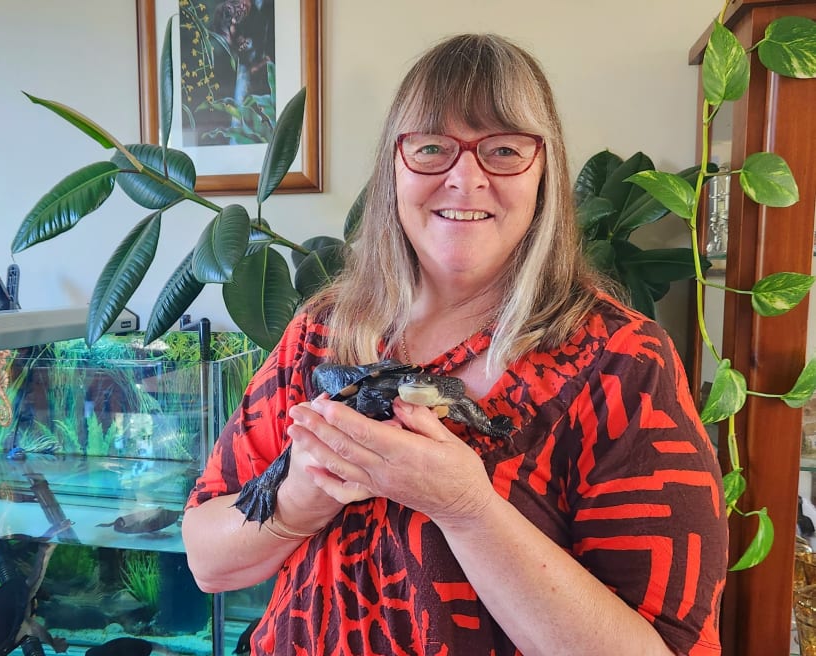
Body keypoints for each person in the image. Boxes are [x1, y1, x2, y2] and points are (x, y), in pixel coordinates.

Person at [181, 33, 728, 655]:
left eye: (502, 150)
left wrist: (467, 507)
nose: (465, 179)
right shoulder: (322, 332)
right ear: (395, 164)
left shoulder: (624, 364)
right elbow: (208, 560)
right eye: (433, 148)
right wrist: (301, 498)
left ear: (543, 169)